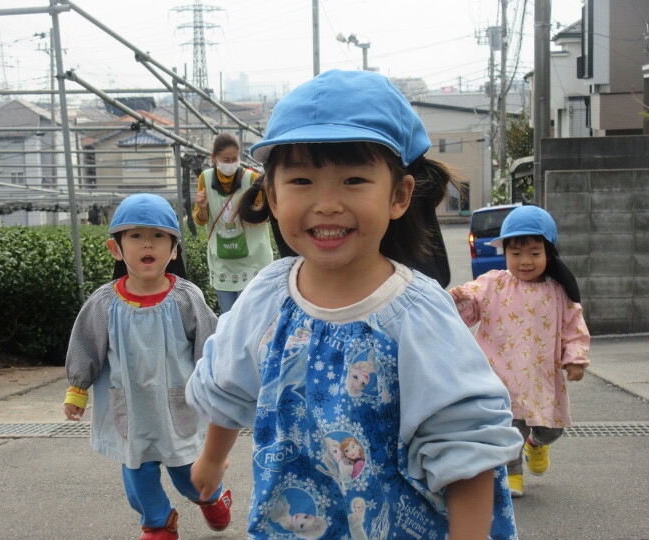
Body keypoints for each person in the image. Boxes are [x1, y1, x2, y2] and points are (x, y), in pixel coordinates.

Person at [186, 69, 524, 539]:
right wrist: (212, 458)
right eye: (302, 180)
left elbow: (465, 444)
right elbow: (230, 380)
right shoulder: (267, 296)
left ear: (399, 196)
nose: (326, 203)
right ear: (273, 197)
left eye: (353, 180)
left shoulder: (416, 312)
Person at [62, 193, 232, 540]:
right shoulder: (104, 303)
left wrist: (218, 386)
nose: (147, 244)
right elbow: (86, 344)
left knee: (188, 471)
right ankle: (157, 522)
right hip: (132, 407)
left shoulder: (186, 298)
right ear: (116, 248)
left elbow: (210, 344)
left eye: (158, 236)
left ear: (174, 249)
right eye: (135, 236)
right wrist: (77, 388)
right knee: (137, 471)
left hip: (178, 405)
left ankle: (210, 496)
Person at [449, 205, 590, 498]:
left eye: (534, 253)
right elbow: (468, 312)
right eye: (516, 253)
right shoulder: (493, 284)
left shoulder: (558, 291)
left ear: (548, 253)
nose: (525, 261)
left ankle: (536, 444)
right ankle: (512, 475)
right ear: (505, 253)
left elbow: (574, 327)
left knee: (552, 429)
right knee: (510, 428)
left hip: (541, 378)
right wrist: (459, 299)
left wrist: (575, 358)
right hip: (500, 376)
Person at [192, 133, 274, 313]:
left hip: (252, 260)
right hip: (223, 262)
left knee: (251, 314)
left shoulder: (251, 178)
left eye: (234, 159)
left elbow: (265, 216)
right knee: (228, 315)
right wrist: (202, 207)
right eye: (225, 160)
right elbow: (200, 219)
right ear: (214, 158)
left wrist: (250, 210)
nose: (230, 164)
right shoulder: (205, 179)